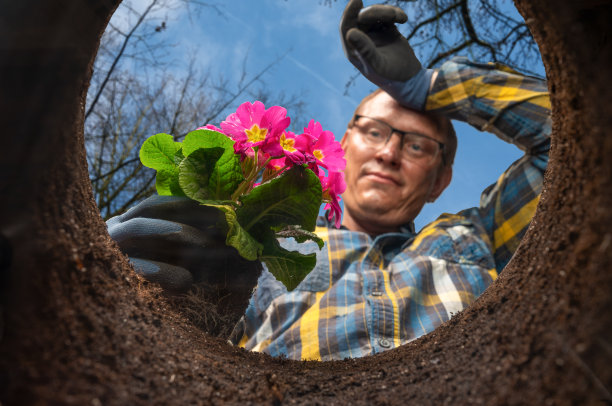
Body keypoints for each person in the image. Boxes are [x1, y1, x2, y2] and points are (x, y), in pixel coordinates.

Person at [107, 0, 551, 361]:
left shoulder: (482, 235)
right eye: (374, 131)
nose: (388, 152)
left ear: (440, 181)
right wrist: (138, 292)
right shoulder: (269, 247)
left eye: (417, 145)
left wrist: (430, 85)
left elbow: (580, 140)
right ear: (343, 146)